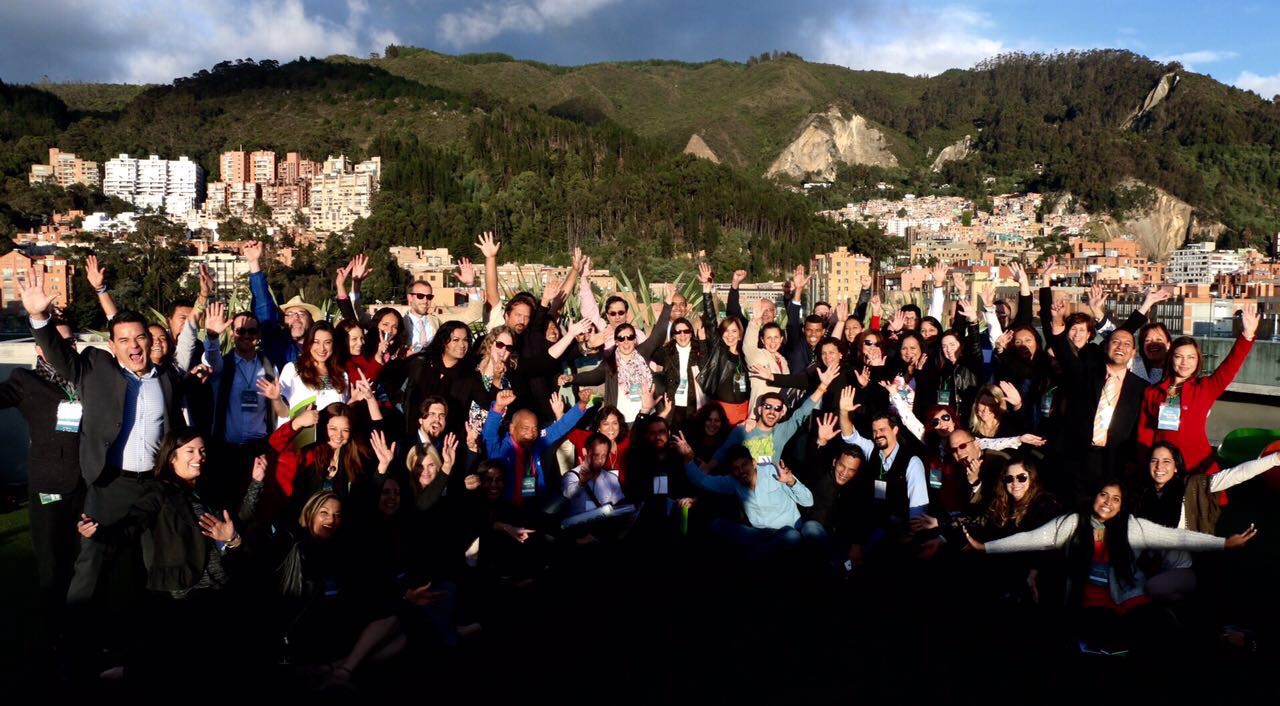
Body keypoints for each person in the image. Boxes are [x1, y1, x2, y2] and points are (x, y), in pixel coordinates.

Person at [20, 267, 189, 622]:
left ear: (150, 340)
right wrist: (38, 316)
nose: (134, 346)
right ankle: (73, 638)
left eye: (140, 338)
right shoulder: (95, 368)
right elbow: (59, 354)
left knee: (151, 562)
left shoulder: (168, 379)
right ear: (112, 346)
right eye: (124, 340)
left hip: (154, 488)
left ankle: (146, 638)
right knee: (92, 563)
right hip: (110, 484)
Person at [964, 479, 1257, 654]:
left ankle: (1224, 638)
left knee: (1162, 636)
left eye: (1116, 499)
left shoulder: (1131, 527)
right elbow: (1030, 538)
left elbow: (1177, 536)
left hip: (1130, 597)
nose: (1108, 503)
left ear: (1121, 506)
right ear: (1095, 495)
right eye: (1104, 495)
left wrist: (1222, 543)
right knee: (1103, 637)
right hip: (1091, 601)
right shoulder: (1071, 523)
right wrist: (984, 547)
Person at [75, 430, 262, 685]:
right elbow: (132, 524)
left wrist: (256, 483)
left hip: (219, 586)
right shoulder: (160, 493)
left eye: (202, 451)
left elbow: (237, 522)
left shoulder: (208, 491)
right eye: (191, 451)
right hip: (183, 590)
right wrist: (101, 533)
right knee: (175, 666)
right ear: (171, 458)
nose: (199, 457)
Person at [0, 316, 84, 637]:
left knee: (83, 561)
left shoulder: (85, 378)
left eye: (70, 342)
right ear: (40, 349)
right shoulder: (26, 381)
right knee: (52, 563)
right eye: (57, 343)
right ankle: (55, 632)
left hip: (87, 485)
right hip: (49, 488)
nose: (66, 348)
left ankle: (80, 624)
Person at [1132, 444, 1280, 602]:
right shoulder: (1143, 496)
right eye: (1154, 460)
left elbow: (1236, 474)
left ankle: (1190, 608)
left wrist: (1275, 458)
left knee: (1152, 588)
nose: (1159, 466)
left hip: (1189, 569)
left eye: (1166, 461)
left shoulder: (1192, 487)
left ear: (1176, 467)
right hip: (1156, 568)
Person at [1137, 304, 1259, 475]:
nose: (1184, 363)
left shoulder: (1205, 387)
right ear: (1170, 359)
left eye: (1191, 357)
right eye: (1178, 357)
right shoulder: (1153, 392)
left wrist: (1247, 335)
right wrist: (1143, 463)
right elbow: (1145, 432)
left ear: (1198, 360)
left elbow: (1231, 365)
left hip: (1195, 462)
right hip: (1162, 466)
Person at [678, 438, 818, 559]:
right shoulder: (733, 481)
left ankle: (756, 555)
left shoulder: (774, 472)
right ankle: (762, 550)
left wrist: (791, 481)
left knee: (792, 537)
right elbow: (702, 481)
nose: (741, 471)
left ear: (754, 462)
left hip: (790, 532)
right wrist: (688, 458)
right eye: (736, 468)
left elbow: (808, 501)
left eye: (744, 465)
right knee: (718, 525)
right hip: (760, 534)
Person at [482, 390, 587, 509]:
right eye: (525, 428)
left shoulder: (536, 443)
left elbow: (560, 427)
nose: (531, 434)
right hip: (506, 511)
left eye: (534, 429)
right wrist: (498, 407)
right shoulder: (500, 449)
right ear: (512, 428)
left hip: (534, 507)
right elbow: (489, 435)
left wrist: (582, 404)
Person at [244, 240, 323, 369]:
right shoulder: (276, 343)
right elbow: (264, 307)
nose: (296, 318)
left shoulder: (322, 348)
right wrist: (254, 264)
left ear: (311, 319)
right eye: (290, 314)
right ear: (282, 321)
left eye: (301, 314)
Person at [272, 321, 350, 424]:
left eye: (327, 342)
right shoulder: (293, 369)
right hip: (300, 437)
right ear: (309, 343)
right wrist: (276, 399)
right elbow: (283, 413)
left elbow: (341, 412)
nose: (322, 348)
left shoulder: (341, 374)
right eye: (316, 342)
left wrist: (355, 400)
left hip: (331, 438)